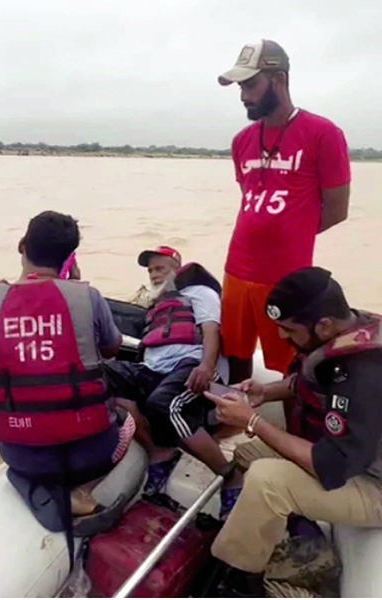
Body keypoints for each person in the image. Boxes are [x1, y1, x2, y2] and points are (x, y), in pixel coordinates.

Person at [204, 267, 382, 597]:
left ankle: (242, 576)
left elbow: (331, 465)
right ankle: (302, 529)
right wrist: (264, 393)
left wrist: (253, 422)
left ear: (324, 325)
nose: (283, 337)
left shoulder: (362, 373)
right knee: (248, 454)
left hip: (373, 485)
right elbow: (310, 381)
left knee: (266, 480)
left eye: (288, 330)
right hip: (352, 459)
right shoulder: (353, 327)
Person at [0, 210, 127, 534]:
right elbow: (110, 349)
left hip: (20, 454)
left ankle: (41, 488)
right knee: (130, 417)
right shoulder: (87, 297)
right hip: (93, 452)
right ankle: (83, 492)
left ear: (22, 245)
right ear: (70, 258)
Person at [218, 40, 351, 383]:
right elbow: (251, 198)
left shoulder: (323, 134)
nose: (243, 95)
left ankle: (293, 433)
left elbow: (337, 210)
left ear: (278, 79)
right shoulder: (241, 140)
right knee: (236, 353)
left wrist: (290, 232)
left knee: (291, 366)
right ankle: (236, 424)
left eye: (250, 84)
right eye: (240, 87)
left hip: (285, 277)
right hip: (236, 270)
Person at [104, 246, 241, 518]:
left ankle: (231, 476)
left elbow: (211, 329)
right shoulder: (157, 305)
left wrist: (206, 366)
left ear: (177, 268)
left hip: (188, 365)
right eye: (151, 270)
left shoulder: (200, 293)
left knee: (163, 404)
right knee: (99, 378)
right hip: (151, 368)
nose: (154, 275)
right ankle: (160, 452)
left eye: (160, 268)